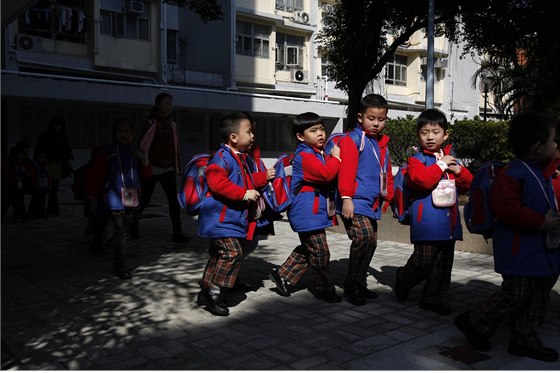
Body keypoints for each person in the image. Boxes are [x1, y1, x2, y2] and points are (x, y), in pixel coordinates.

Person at [454, 112, 560, 363]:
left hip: (536, 251)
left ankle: (524, 337)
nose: (556, 146)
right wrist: (541, 222)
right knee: (515, 293)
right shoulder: (514, 173)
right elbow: (507, 208)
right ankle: (475, 321)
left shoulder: (537, 169)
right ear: (537, 147)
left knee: (537, 294)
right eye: (553, 141)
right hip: (518, 251)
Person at [393, 109, 473, 315]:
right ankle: (403, 280)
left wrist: (458, 170)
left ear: (445, 134)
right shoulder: (416, 160)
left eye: (435, 132)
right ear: (418, 135)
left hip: (449, 222)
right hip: (426, 222)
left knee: (443, 264)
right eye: (424, 132)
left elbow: (468, 184)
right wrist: (441, 165)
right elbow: (422, 180)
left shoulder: (451, 159)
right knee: (423, 260)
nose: (430, 137)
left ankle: (433, 298)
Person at [196, 112, 274, 316]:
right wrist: (243, 194)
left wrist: (262, 177)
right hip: (219, 220)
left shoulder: (240, 158)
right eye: (249, 132)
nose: (253, 136)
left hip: (230, 220)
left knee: (217, 256)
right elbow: (217, 183)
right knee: (232, 253)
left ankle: (205, 291)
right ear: (233, 137)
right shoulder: (221, 158)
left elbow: (246, 181)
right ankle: (214, 293)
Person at [268, 112, 342, 303]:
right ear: (300, 136)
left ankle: (283, 275)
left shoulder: (316, 153)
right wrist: (337, 159)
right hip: (306, 212)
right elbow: (326, 174)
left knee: (313, 248)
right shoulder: (305, 156)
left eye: (321, 129)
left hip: (313, 211)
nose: (320, 134)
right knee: (320, 251)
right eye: (313, 130)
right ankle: (323, 288)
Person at [336, 94, 394, 305]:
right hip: (355, 200)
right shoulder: (352, 140)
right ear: (360, 117)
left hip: (371, 202)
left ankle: (359, 283)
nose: (376, 123)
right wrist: (346, 198)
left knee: (371, 242)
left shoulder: (380, 142)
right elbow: (347, 172)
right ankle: (351, 285)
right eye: (372, 118)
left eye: (381, 119)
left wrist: (388, 195)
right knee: (363, 238)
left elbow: (384, 171)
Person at [85, 118, 151, 280]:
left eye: (127, 131)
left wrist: (143, 159)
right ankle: (120, 266)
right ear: (115, 134)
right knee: (120, 231)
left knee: (122, 231)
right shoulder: (108, 153)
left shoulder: (136, 152)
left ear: (133, 134)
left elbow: (146, 175)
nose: (124, 134)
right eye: (120, 131)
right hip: (113, 198)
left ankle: (100, 243)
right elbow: (97, 176)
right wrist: (92, 196)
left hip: (131, 197)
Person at [130, 92, 190, 243]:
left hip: (168, 167)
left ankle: (177, 233)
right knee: (144, 199)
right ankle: (132, 226)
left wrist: (177, 164)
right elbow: (143, 144)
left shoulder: (172, 124)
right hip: (152, 167)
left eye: (170, 103)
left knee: (173, 202)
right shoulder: (150, 123)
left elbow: (174, 146)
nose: (168, 106)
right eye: (165, 103)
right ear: (157, 105)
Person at [34, 116, 74, 217]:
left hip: (58, 166)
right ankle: (51, 209)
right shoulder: (45, 136)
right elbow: (39, 150)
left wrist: (69, 159)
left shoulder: (63, 137)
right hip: (47, 165)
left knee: (54, 188)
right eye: (55, 125)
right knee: (47, 187)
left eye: (58, 125)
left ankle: (52, 208)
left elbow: (67, 150)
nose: (56, 127)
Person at [1, 140, 34, 221]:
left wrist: (25, 171)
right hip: (10, 182)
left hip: (19, 182)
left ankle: (20, 214)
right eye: (26, 148)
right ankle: (21, 214)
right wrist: (15, 176)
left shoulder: (25, 159)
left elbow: (29, 168)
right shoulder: (11, 160)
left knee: (15, 199)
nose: (27, 150)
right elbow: (5, 170)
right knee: (9, 200)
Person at [27, 149, 51, 219]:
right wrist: (35, 184)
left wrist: (49, 183)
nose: (43, 159)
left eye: (44, 157)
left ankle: (40, 213)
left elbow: (48, 175)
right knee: (35, 200)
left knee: (42, 200)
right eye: (41, 157)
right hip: (37, 185)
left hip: (44, 185)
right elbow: (33, 176)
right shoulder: (34, 165)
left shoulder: (45, 165)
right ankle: (32, 213)